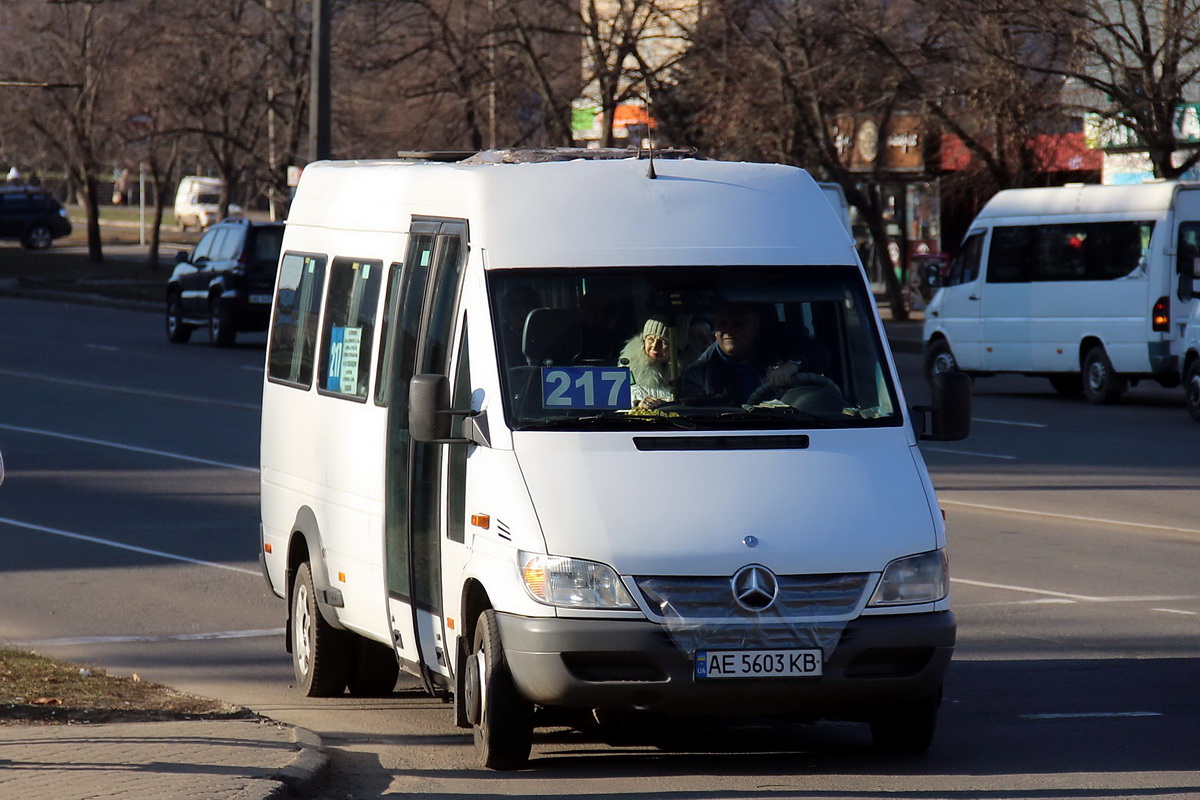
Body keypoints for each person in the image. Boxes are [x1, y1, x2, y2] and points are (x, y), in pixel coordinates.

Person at [680, 302, 816, 405]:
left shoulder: (779, 346)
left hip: (788, 428)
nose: (729, 330)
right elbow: (697, 420)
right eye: (722, 324)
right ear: (715, 329)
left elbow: (820, 352)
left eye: (738, 324)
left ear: (756, 327)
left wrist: (793, 365)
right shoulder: (698, 374)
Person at [619, 317, 676, 409]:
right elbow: (619, 402)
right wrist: (637, 404)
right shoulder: (628, 371)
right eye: (650, 339)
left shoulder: (690, 376)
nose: (654, 347)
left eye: (663, 342)